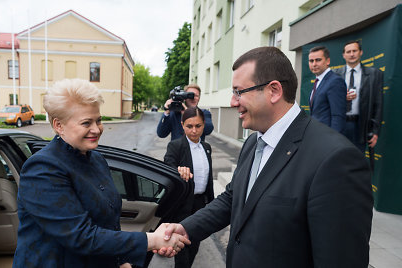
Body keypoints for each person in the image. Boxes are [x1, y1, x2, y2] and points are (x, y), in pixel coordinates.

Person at [158, 47, 373, 267]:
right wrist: (185, 227)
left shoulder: (336, 160)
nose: (233, 102)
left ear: (274, 91)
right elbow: (233, 199)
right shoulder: (253, 142)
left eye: (239, 92)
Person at [13, 79, 189, 268]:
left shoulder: (96, 159)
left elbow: (109, 223)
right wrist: (152, 240)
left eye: (98, 120)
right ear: (58, 125)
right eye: (86, 123)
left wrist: (121, 261)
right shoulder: (42, 169)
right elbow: (81, 237)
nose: (96, 129)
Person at [163, 107, 214, 268]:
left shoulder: (206, 147)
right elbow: (167, 169)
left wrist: (210, 204)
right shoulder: (175, 146)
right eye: (189, 126)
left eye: (198, 126)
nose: (194, 130)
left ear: (203, 125)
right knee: (182, 250)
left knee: (194, 245)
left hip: (200, 205)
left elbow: (208, 179)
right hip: (182, 207)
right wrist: (177, 170)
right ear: (182, 125)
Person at [334, 40, 384, 152]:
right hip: (339, 125)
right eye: (348, 51)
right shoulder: (334, 74)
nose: (351, 54)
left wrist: (375, 131)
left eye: (354, 51)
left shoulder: (374, 74)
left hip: (360, 126)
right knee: (338, 159)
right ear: (343, 55)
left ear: (361, 52)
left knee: (357, 160)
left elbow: (378, 104)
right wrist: (342, 98)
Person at [308, 46, 347, 133]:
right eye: (311, 61)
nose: (314, 64)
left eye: (318, 60)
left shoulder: (335, 81)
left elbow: (338, 116)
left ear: (328, 61)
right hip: (317, 135)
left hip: (328, 138)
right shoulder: (318, 81)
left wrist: (333, 141)